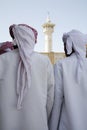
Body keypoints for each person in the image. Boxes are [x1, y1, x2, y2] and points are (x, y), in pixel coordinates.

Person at [0, 24, 54, 130]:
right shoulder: (44, 61)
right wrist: (42, 116)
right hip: (37, 122)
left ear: (15, 38)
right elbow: (50, 97)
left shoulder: (2, 60)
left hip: (6, 122)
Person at [49, 30, 87, 130]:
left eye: (65, 45)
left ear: (70, 45)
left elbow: (56, 101)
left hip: (67, 124)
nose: (64, 48)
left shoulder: (61, 65)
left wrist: (52, 126)